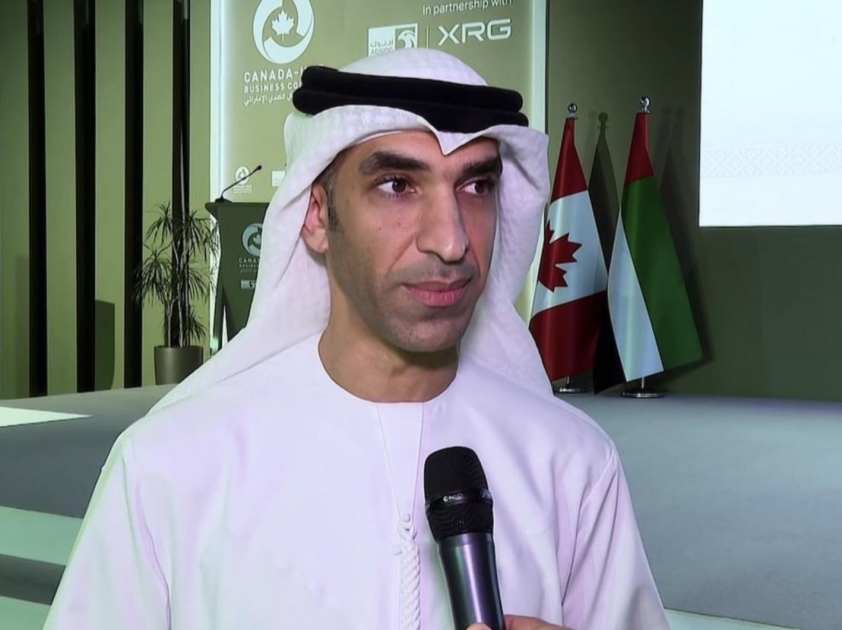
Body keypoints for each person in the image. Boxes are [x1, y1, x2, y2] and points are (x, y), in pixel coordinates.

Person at [43, 48, 670, 630]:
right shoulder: (171, 465)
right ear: (317, 216)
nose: (451, 241)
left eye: (476, 186)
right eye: (398, 185)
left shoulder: (571, 464)